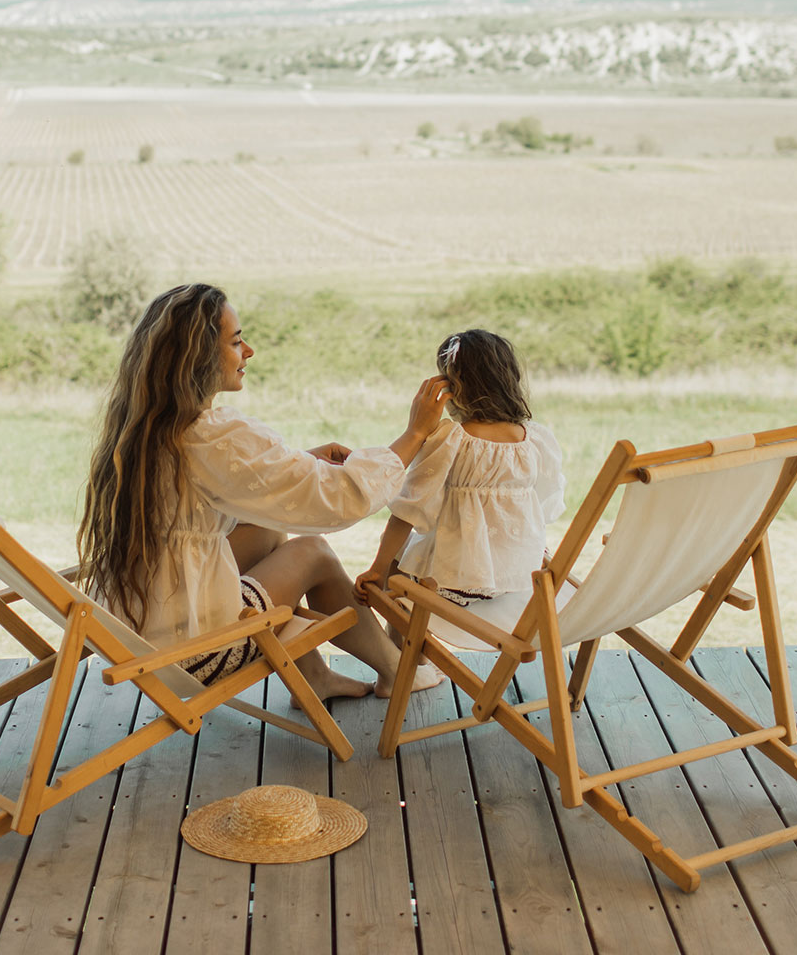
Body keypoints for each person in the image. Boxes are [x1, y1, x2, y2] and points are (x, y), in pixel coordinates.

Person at [78, 283, 448, 699]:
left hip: (141, 628)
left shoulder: (146, 426)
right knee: (314, 552)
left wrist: (302, 463)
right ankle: (398, 672)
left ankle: (317, 679)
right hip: (190, 652)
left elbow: (212, 494)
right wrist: (416, 432)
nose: (248, 351)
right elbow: (339, 499)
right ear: (198, 356)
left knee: (268, 529)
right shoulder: (212, 437)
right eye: (236, 341)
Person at [357, 330, 567, 613]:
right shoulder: (536, 439)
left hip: (451, 582)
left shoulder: (452, 438)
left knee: (399, 556)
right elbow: (547, 506)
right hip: (520, 576)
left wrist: (377, 569)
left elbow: (409, 508)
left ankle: (407, 650)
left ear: (453, 388)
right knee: (417, 546)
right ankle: (407, 649)